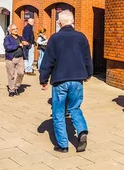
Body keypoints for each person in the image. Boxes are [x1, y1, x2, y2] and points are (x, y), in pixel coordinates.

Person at [39, 10, 93, 153]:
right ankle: (82, 131)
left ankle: (63, 145)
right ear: (73, 21)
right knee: (75, 108)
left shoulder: (55, 38)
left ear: (59, 23)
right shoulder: (81, 37)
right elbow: (87, 57)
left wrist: (43, 79)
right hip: (77, 79)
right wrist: (89, 73)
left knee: (58, 112)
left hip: (60, 79)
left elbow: (48, 60)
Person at [4, 24, 29, 97]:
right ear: (10, 31)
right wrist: (18, 45)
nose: (15, 30)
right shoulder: (7, 38)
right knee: (11, 75)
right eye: (14, 29)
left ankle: (16, 86)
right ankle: (11, 90)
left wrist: (27, 44)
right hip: (11, 58)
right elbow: (8, 47)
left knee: (21, 73)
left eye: (16, 29)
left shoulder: (20, 37)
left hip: (20, 58)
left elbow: (28, 44)